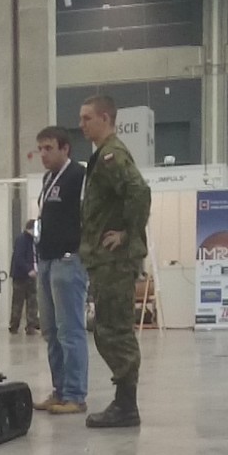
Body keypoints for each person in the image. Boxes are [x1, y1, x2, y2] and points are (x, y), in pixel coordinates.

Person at [78, 95, 151, 429]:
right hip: (105, 261)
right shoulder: (102, 155)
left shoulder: (111, 156)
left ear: (105, 118)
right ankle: (124, 403)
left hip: (115, 261)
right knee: (107, 328)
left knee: (115, 331)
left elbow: (139, 191)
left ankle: (126, 406)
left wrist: (126, 233)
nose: (82, 125)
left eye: (87, 118)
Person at [30, 126, 90, 415]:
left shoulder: (78, 176)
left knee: (70, 331)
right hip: (46, 259)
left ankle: (75, 395)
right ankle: (60, 390)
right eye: (40, 149)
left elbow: (88, 215)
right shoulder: (47, 179)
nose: (43, 154)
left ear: (65, 149)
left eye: (49, 148)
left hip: (68, 259)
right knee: (50, 331)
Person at [8, 220, 39, 334]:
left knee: (32, 301)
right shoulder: (22, 240)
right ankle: (14, 325)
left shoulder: (34, 241)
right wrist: (29, 270)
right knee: (18, 301)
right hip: (21, 276)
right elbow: (19, 258)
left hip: (31, 276)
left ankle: (31, 325)